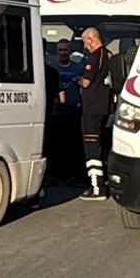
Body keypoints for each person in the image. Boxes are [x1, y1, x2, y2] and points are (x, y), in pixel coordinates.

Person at [77, 27, 114, 201]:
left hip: (92, 109)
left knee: (92, 147)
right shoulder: (109, 55)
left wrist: (75, 79)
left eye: (85, 42)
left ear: (91, 39)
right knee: (103, 146)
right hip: (106, 107)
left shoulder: (94, 56)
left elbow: (86, 82)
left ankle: (96, 187)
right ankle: (104, 182)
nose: (85, 47)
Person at [47, 39, 84, 185]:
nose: (63, 53)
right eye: (60, 50)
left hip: (72, 111)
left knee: (73, 146)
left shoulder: (78, 67)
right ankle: (53, 177)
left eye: (65, 50)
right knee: (54, 146)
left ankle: (73, 177)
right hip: (55, 112)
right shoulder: (52, 67)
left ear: (70, 51)